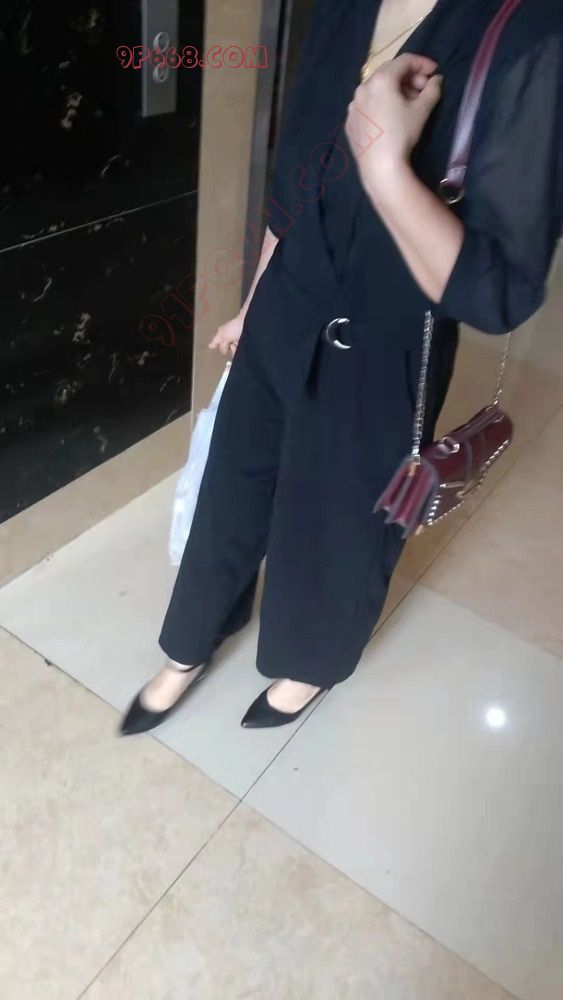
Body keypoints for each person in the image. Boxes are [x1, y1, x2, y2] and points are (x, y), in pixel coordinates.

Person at [121, 0, 562, 735]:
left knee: (340, 519)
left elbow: (496, 294)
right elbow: (296, 177)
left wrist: (386, 167)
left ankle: (308, 665)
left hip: (388, 334)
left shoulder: (535, 31)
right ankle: (188, 644)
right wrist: (253, 300)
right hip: (286, 299)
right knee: (232, 483)